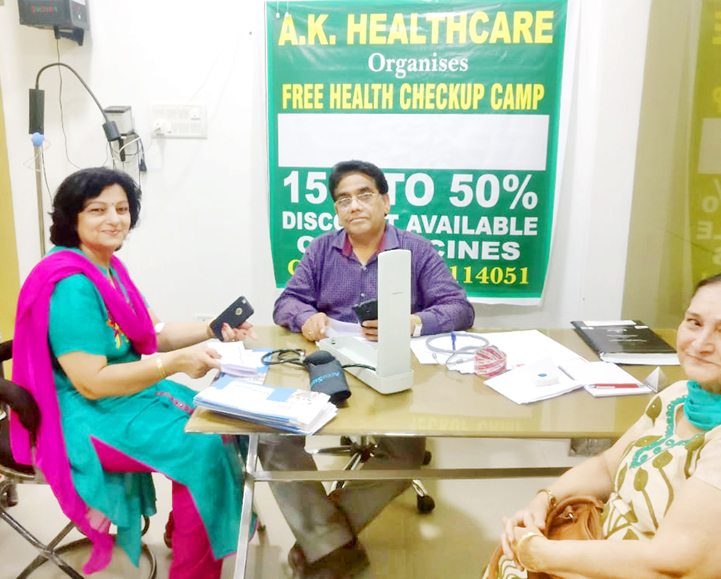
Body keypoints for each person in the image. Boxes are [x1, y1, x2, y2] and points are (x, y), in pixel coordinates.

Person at [9, 167, 255, 579]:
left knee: (226, 420)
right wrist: (174, 364)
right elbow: (91, 382)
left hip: (124, 396)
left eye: (122, 209)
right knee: (204, 445)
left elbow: (153, 332)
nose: (114, 219)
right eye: (97, 209)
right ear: (72, 217)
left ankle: (188, 530)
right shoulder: (69, 284)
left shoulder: (108, 268)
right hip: (80, 413)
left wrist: (212, 328)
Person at [487, 271, 721, 579]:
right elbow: (607, 468)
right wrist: (544, 501)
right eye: (694, 322)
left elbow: (673, 566)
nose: (701, 343)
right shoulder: (681, 396)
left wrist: (538, 553)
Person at [265, 159, 474, 578]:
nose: (354, 206)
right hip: (330, 364)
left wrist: (412, 322)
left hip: (392, 366)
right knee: (272, 440)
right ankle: (331, 546)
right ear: (336, 209)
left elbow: (460, 309)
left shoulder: (416, 250)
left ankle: (321, 543)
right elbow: (285, 302)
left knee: (406, 454)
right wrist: (304, 317)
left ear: (385, 201)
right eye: (343, 199)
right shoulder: (321, 249)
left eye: (364, 195)